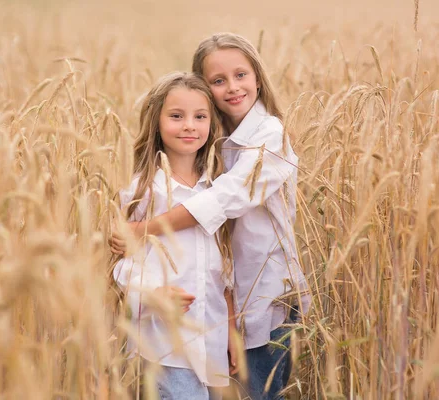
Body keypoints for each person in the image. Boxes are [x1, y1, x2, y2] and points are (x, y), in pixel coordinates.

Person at [110, 33, 310, 399]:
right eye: (218, 81)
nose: (232, 87)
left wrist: (144, 229)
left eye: (240, 75)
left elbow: (228, 198)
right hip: (204, 316)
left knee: (258, 394)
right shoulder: (206, 148)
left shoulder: (269, 136)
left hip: (267, 297)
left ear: (258, 77)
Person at [112, 72, 237, 399]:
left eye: (200, 117)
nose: (189, 126)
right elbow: (124, 263)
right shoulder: (143, 190)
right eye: (176, 116)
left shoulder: (218, 189)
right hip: (165, 337)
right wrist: (153, 293)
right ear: (156, 121)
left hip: (210, 334)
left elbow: (223, 269)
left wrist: (232, 334)